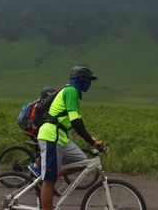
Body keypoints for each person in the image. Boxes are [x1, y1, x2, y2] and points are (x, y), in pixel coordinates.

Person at [37, 65, 105, 210]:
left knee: (83, 162)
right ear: (81, 79)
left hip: (61, 137)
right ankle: (47, 180)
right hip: (51, 136)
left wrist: (92, 139)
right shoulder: (71, 91)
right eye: (88, 80)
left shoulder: (73, 93)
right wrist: (92, 141)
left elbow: (74, 122)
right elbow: (76, 121)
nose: (90, 83)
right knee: (49, 182)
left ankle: (51, 174)